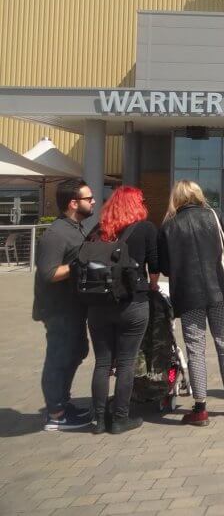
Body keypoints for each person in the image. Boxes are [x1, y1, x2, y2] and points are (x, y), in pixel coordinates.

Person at [158, 180, 224, 425]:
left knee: (195, 349)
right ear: (198, 194)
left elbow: (164, 267)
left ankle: (200, 408)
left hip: (188, 295)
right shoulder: (214, 216)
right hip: (219, 290)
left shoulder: (169, 225)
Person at [85, 186, 159, 434]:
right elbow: (155, 264)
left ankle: (97, 420)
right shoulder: (145, 229)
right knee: (126, 362)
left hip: (98, 303)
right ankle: (120, 418)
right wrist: (153, 285)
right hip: (132, 302)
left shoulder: (98, 231)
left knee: (102, 362)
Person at [34, 178, 94, 431]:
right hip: (58, 309)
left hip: (74, 306)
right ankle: (55, 413)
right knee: (59, 357)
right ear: (73, 203)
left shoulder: (77, 228)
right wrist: (78, 265)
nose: (93, 202)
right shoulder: (56, 233)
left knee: (77, 351)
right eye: (88, 198)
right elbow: (48, 273)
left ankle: (63, 403)